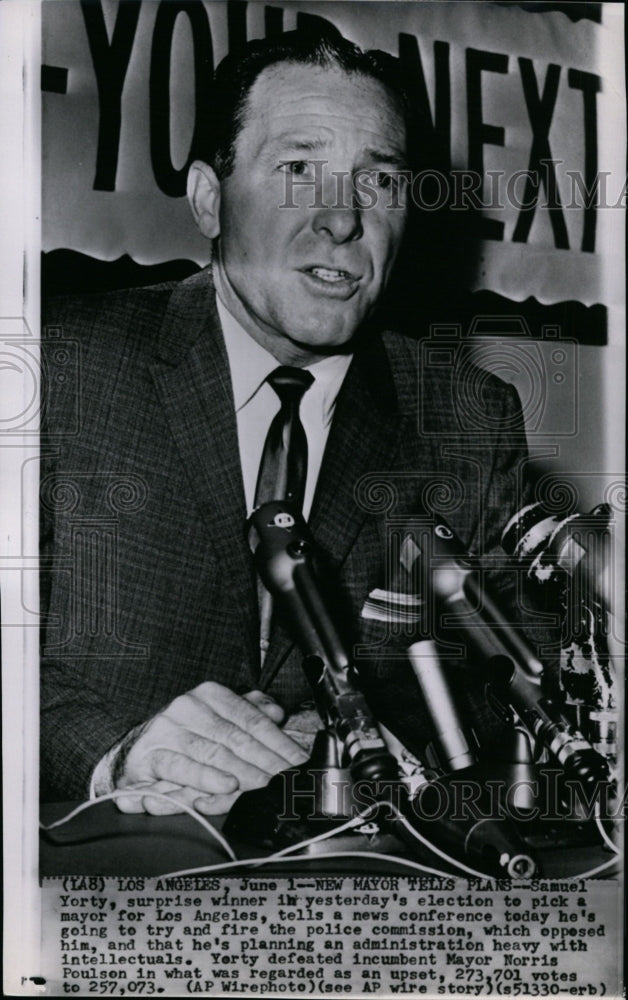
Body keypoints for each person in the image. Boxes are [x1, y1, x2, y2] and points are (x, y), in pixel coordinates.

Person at [40, 26, 540, 815]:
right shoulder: (58, 368)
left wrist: (344, 740)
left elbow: (509, 694)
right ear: (209, 198)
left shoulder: (469, 418)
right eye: (298, 169)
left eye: (377, 182)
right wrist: (117, 754)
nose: (341, 220)